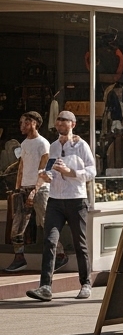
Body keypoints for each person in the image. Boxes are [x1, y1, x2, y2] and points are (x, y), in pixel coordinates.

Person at [26, 110, 95, 301]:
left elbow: (92, 171)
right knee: (50, 240)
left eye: (64, 120)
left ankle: (85, 283)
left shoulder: (82, 146)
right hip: (55, 200)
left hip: (76, 200)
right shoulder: (54, 146)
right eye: (58, 120)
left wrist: (70, 172)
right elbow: (50, 169)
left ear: (73, 124)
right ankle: (46, 286)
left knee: (80, 243)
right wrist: (45, 175)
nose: (60, 123)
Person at [7, 112, 52, 274]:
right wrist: (18, 188)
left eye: (24, 123)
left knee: (45, 222)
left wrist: (35, 190)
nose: (21, 126)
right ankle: (19, 257)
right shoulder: (25, 144)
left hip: (39, 189)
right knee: (17, 224)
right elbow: (21, 167)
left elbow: (45, 169)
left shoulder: (43, 144)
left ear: (33, 123)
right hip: (24, 188)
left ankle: (58, 253)